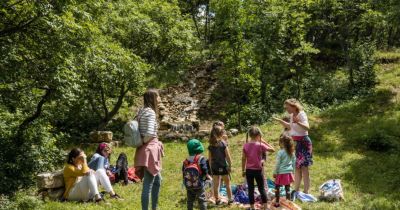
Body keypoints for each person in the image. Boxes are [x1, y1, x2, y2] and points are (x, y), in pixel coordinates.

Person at [273, 98, 313, 195]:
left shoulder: (301, 114)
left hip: (304, 142)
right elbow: (290, 127)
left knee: (304, 168)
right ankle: (297, 190)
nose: (287, 110)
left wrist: (298, 122)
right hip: (295, 143)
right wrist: (280, 121)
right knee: (297, 167)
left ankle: (306, 191)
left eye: (287, 107)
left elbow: (307, 127)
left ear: (293, 106)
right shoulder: (291, 115)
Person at [134, 89, 164, 210]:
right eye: (158, 97)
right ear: (152, 98)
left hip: (143, 149)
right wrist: (144, 142)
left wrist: (141, 143)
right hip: (149, 149)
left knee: (158, 179)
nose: (159, 99)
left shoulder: (141, 111)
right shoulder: (150, 112)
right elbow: (150, 133)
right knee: (148, 183)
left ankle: (154, 207)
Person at [242, 126, 275, 210]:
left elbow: (243, 159)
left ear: (249, 135)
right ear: (258, 135)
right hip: (258, 171)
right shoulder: (261, 145)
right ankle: (266, 207)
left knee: (250, 189)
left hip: (248, 170)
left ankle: (252, 207)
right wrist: (263, 141)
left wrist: (243, 170)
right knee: (261, 189)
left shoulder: (245, 145)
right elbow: (272, 149)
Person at [182, 139, 212, 210]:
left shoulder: (186, 160)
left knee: (190, 200)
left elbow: (183, 171)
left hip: (189, 184)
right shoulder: (201, 158)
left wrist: (184, 181)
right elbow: (204, 169)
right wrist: (208, 176)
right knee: (202, 199)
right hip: (199, 183)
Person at [208, 125, 233, 205]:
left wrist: (211, 169)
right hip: (223, 166)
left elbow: (210, 159)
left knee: (216, 184)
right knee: (227, 183)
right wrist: (230, 165)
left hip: (215, 167)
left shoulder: (210, 146)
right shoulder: (223, 144)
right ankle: (230, 199)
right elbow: (228, 157)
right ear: (221, 134)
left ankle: (217, 200)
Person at [273, 135, 296, 207]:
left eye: (280, 142)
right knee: (288, 189)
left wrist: (275, 172)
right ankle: (288, 203)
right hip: (288, 173)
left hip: (280, 173)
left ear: (283, 143)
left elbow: (277, 164)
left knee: (277, 188)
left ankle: (277, 202)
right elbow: (294, 162)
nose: (279, 144)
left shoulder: (280, 152)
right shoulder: (291, 152)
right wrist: (293, 172)